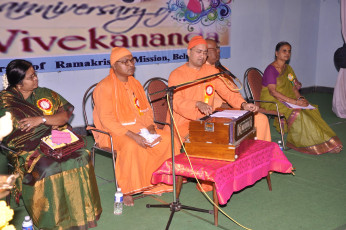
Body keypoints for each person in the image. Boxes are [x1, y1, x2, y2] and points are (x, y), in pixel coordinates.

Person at [0, 59, 102, 229]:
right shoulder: (5, 101)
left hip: (53, 137)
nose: (36, 79)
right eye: (30, 77)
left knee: (82, 155)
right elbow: (14, 131)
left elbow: (64, 116)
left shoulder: (44, 93)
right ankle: (54, 219)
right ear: (18, 84)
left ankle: (83, 211)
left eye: (35, 75)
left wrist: (41, 119)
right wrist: (49, 122)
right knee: (48, 166)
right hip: (25, 147)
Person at [93, 47, 177, 206]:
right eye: (125, 62)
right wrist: (133, 135)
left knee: (167, 139)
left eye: (132, 60)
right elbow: (106, 120)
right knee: (132, 146)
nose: (130, 64)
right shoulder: (104, 87)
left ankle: (159, 181)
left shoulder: (135, 83)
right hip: (114, 132)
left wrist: (151, 126)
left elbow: (145, 109)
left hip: (141, 128)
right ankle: (127, 190)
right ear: (114, 66)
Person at [168, 36, 267, 142]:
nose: (202, 56)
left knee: (252, 123)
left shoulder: (211, 71)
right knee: (216, 138)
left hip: (208, 119)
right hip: (184, 122)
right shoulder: (176, 74)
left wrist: (243, 104)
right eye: (199, 52)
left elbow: (228, 92)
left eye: (205, 53)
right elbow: (176, 102)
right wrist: (197, 104)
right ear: (188, 52)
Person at [260, 41, 343, 154]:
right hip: (271, 100)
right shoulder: (271, 69)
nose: (287, 53)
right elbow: (273, 92)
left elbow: (294, 87)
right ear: (276, 53)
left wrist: (300, 99)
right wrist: (295, 102)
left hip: (287, 99)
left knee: (310, 108)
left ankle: (326, 141)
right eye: (284, 51)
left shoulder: (288, 69)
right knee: (298, 112)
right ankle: (309, 143)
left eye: (289, 51)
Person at [205, 38, 271, 142]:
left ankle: (260, 153)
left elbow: (233, 93)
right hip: (218, 112)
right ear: (205, 52)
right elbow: (209, 102)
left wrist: (242, 105)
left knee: (261, 118)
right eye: (216, 48)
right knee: (260, 119)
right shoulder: (203, 73)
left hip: (235, 106)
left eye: (219, 48)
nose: (219, 51)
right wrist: (234, 107)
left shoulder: (223, 69)